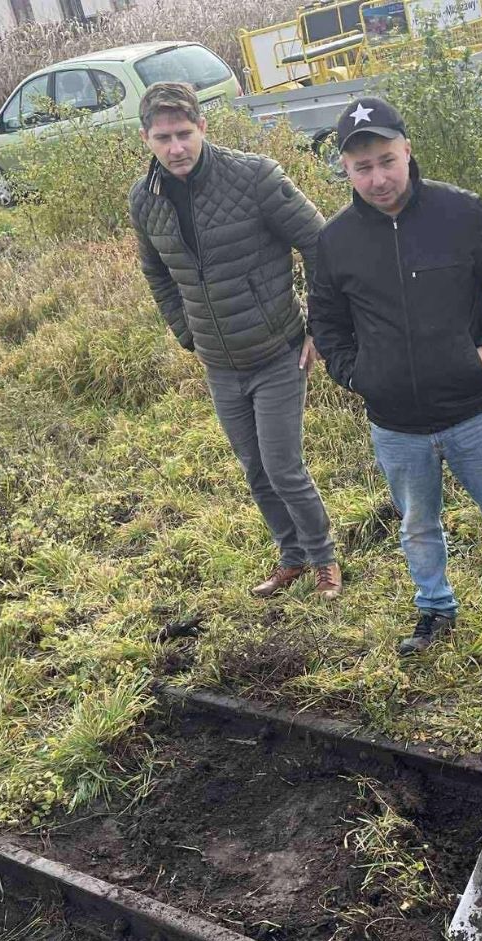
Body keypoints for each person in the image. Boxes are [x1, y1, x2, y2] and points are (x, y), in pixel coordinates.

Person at [308, 96, 482, 659]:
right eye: (362, 167)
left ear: (407, 150)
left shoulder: (462, 213)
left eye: (386, 160)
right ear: (345, 169)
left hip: (473, 409)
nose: (377, 178)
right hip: (395, 422)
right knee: (417, 524)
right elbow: (326, 321)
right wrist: (358, 375)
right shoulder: (333, 243)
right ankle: (434, 609)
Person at [129, 82, 341, 600]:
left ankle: (324, 561)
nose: (175, 147)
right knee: (254, 469)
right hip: (219, 363)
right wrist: (186, 332)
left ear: (202, 128)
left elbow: (321, 243)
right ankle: (290, 558)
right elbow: (156, 273)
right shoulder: (145, 199)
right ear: (146, 139)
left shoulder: (255, 176)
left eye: (184, 134)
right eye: (163, 138)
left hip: (277, 351)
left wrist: (320, 325)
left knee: (282, 466)